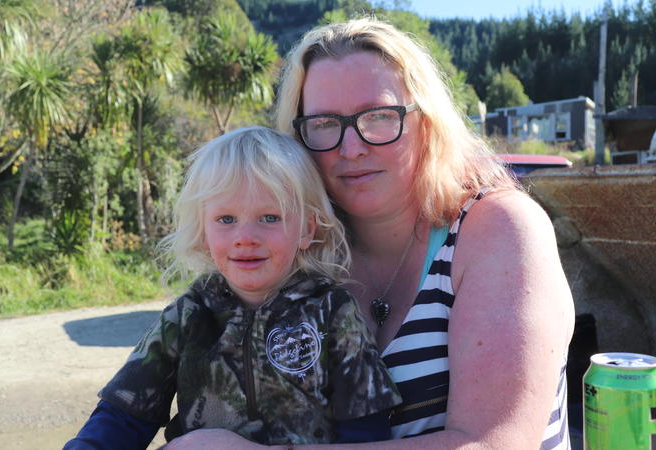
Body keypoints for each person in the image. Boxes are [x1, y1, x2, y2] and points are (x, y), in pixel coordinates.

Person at [163, 17, 575, 450]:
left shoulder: (499, 229)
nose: (352, 147)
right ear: (297, 136)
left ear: (427, 122)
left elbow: (497, 444)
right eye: (323, 123)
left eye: (379, 116)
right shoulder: (302, 246)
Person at [64, 126, 402, 449]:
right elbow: (123, 415)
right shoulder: (186, 316)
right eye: (226, 220)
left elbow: (366, 426)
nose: (245, 238)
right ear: (203, 232)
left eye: (270, 217)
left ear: (306, 229)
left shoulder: (332, 312)